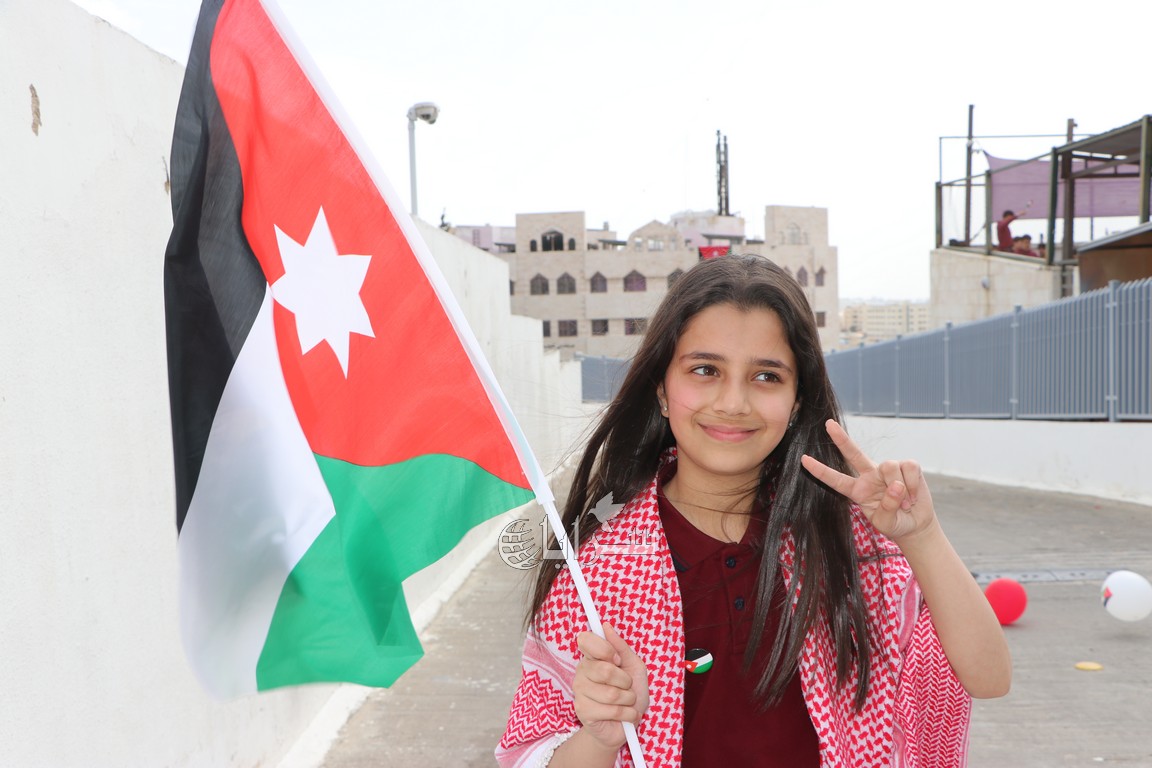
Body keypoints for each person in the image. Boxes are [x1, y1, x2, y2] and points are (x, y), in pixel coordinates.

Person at [496, 255, 1011, 768]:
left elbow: (989, 678)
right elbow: (533, 752)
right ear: (662, 390)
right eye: (705, 370)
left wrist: (922, 536)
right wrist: (601, 736)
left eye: (766, 376)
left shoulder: (845, 540)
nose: (733, 402)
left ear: (796, 401)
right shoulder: (598, 566)